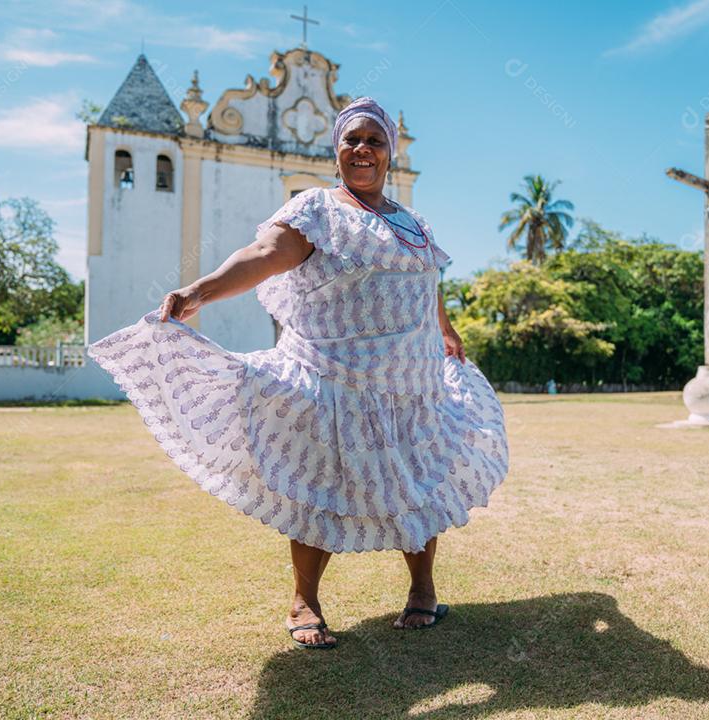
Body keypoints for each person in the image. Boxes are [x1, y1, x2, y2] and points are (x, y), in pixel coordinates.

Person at [86, 97, 509, 650]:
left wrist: (445, 328)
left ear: (389, 154)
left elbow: (425, 281)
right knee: (321, 487)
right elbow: (264, 252)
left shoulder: (413, 225)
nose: (362, 149)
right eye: (352, 140)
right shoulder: (318, 209)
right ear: (337, 151)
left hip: (411, 383)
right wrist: (200, 290)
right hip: (335, 379)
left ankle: (423, 592)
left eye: (374, 141)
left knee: (418, 480)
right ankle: (304, 602)